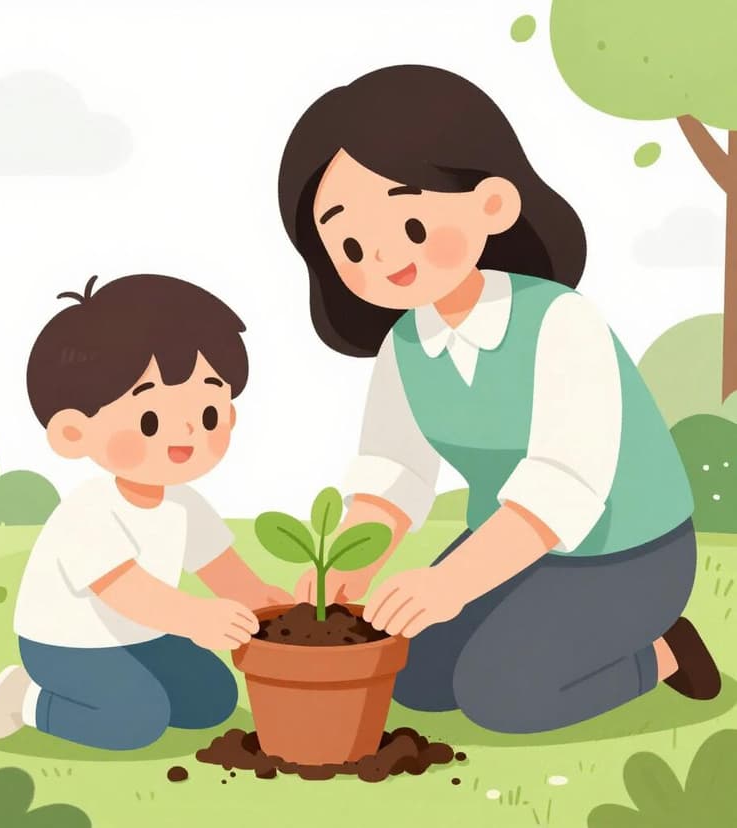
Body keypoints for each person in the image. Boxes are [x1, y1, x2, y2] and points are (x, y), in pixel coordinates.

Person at [278, 64, 721, 734]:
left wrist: (448, 587)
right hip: (508, 546)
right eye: (349, 244)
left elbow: (561, 486)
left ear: (491, 204)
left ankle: (661, 653)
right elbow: (393, 475)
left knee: (501, 695)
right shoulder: (404, 347)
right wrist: (349, 562)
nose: (382, 257)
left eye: (412, 223)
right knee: (413, 678)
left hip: (627, 553)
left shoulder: (561, 322)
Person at [0, 274, 291, 750]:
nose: (187, 432)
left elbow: (230, 578)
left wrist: (282, 611)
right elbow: (125, 590)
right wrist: (195, 619)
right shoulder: (90, 510)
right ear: (74, 433)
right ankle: (29, 699)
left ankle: (129, 687)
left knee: (213, 700)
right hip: (67, 645)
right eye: (150, 420)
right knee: (136, 721)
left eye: (208, 414)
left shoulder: (185, 503)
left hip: (144, 636)